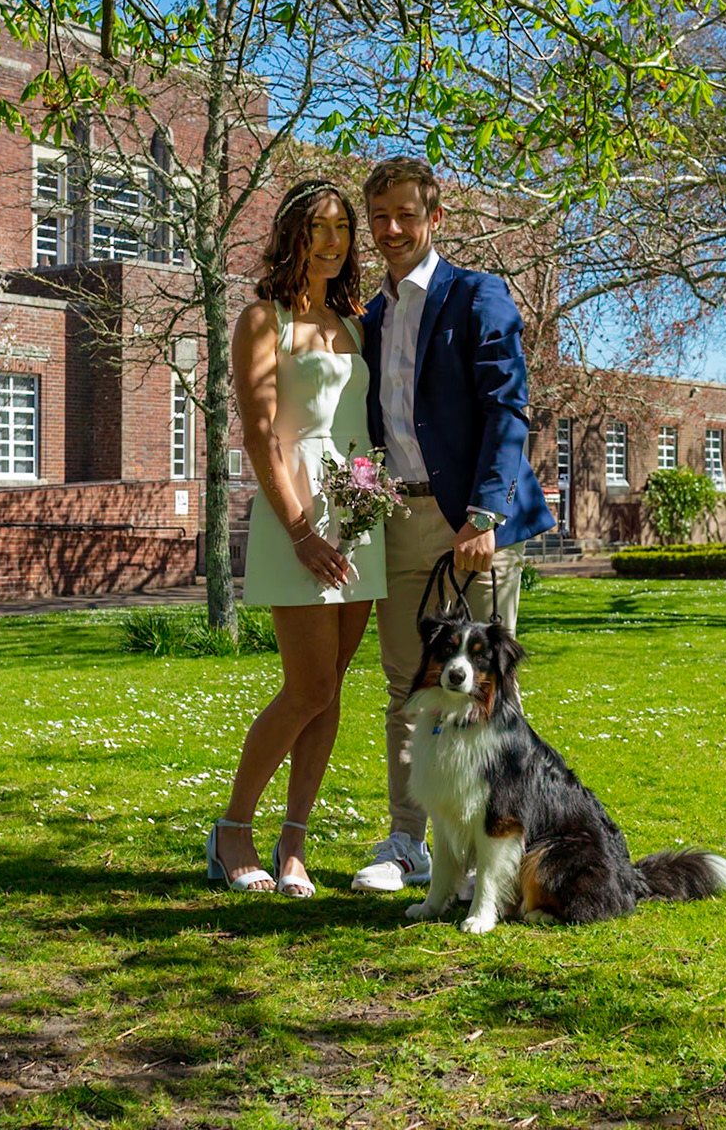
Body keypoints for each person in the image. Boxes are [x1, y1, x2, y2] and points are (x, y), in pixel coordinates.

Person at [350, 157, 555, 893]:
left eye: (407, 215)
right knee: (411, 688)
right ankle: (409, 843)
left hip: (473, 520)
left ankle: (492, 853)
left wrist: (485, 513)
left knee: (487, 692)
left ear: (436, 220)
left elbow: (509, 407)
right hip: (399, 517)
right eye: (381, 218)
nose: (393, 229)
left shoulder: (478, 296)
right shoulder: (369, 317)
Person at [206, 179, 386, 897]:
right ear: (291, 235)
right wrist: (303, 530)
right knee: (307, 685)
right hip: (297, 511)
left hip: (361, 509)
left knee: (331, 688)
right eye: (319, 227)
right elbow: (258, 435)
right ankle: (232, 832)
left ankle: (294, 846)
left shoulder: (358, 323)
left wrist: (369, 506)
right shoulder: (262, 320)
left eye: (343, 228)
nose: (334, 241)